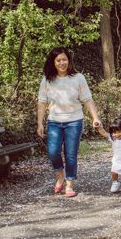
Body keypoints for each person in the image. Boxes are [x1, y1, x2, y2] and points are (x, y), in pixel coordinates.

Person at [37, 47, 102, 198]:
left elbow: (87, 99)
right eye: (58, 60)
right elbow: (42, 102)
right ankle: (61, 176)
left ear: (69, 60)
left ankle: (69, 184)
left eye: (64, 59)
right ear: (53, 62)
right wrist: (39, 123)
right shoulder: (47, 79)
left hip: (74, 121)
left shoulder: (78, 78)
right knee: (53, 152)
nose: (62, 63)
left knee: (70, 154)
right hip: (54, 121)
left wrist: (95, 117)